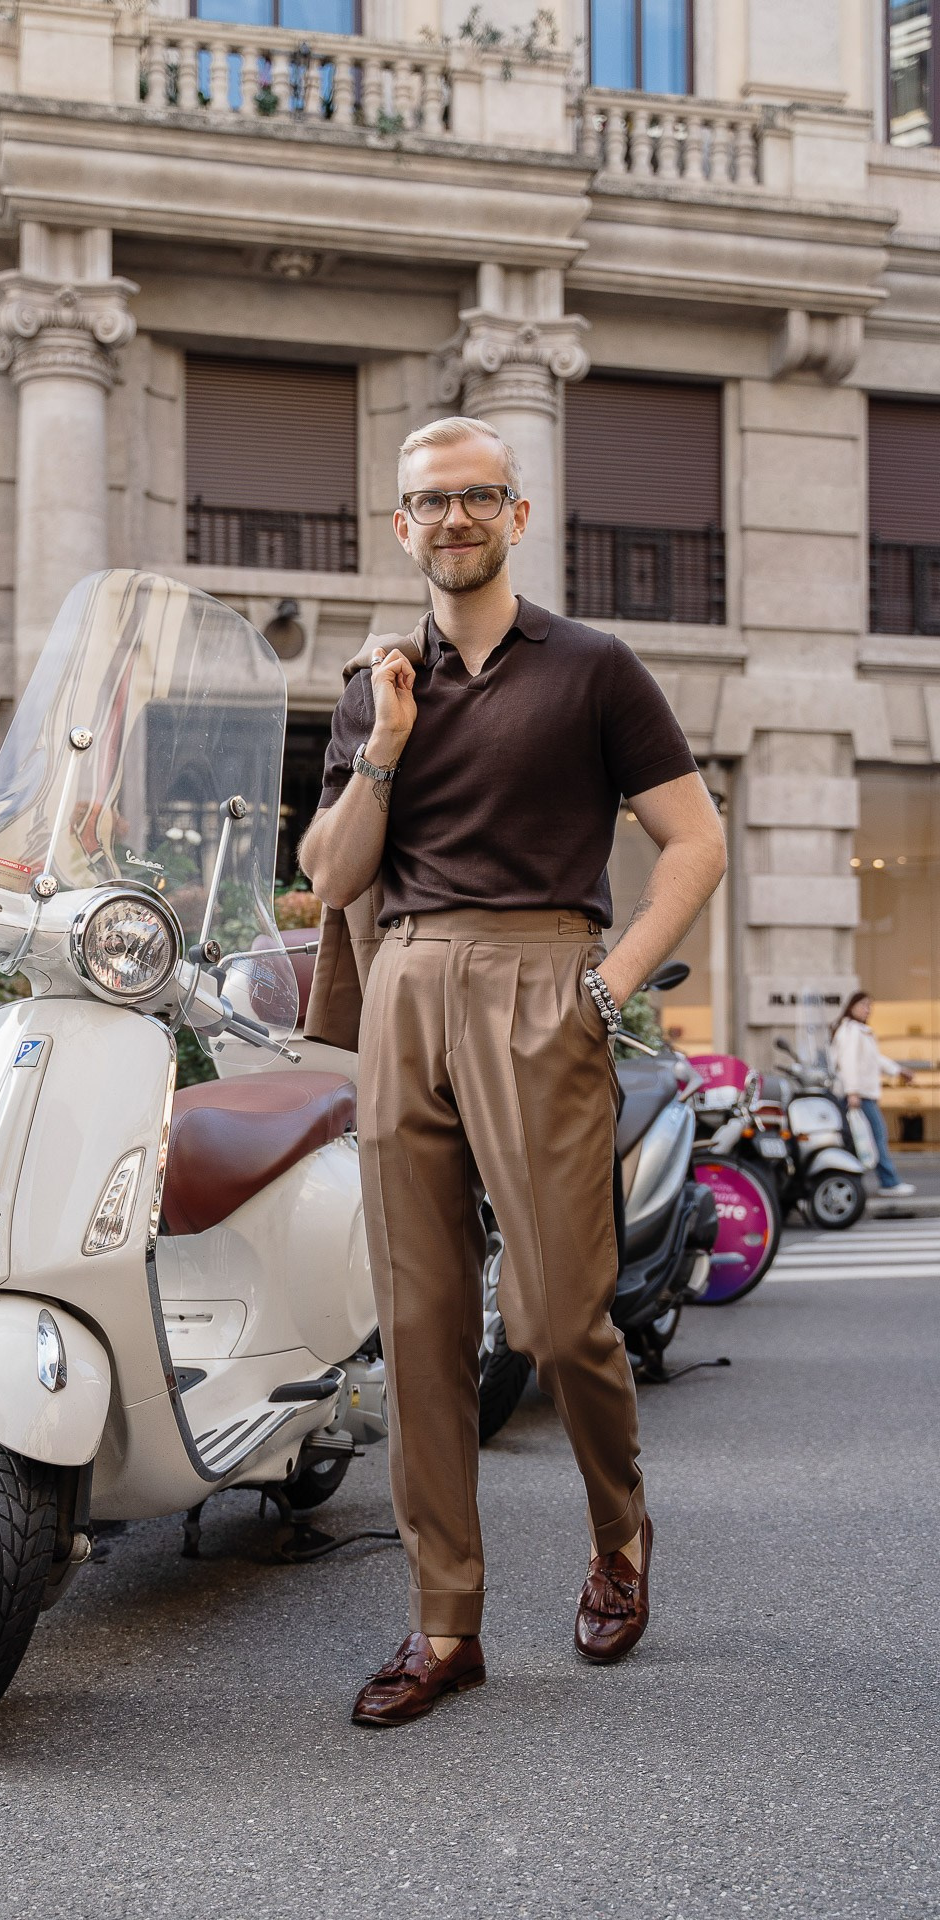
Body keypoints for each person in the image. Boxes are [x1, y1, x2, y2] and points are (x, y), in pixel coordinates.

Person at [299, 415, 727, 1728]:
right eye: (430, 502)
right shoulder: (379, 682)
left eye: (478, 496)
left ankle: (620, 1529)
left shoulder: (593, 668)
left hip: (547, 977)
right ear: (401, 525)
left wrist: (606, 985)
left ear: (518, 515)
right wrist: (385, 734)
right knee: (422, 1331)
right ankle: (444, 1623)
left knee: (551, 1317)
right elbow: (329, 876)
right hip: (406, 986)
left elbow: (695, 842)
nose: (455, 519)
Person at [828, 991, 915, 1196]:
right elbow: (847, 1063)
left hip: (860, 1094)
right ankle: (889, 1182)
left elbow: (875, 1059)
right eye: (863, 1005)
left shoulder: (859, 1030)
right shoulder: (851, 1031)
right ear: (852, 1006)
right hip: (858, 1096)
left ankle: (853, 1183)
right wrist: (853, 1092)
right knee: (876, 1136)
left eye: (869, 1007)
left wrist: (898, 1070)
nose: (867, 1010)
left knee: (860, 1140)